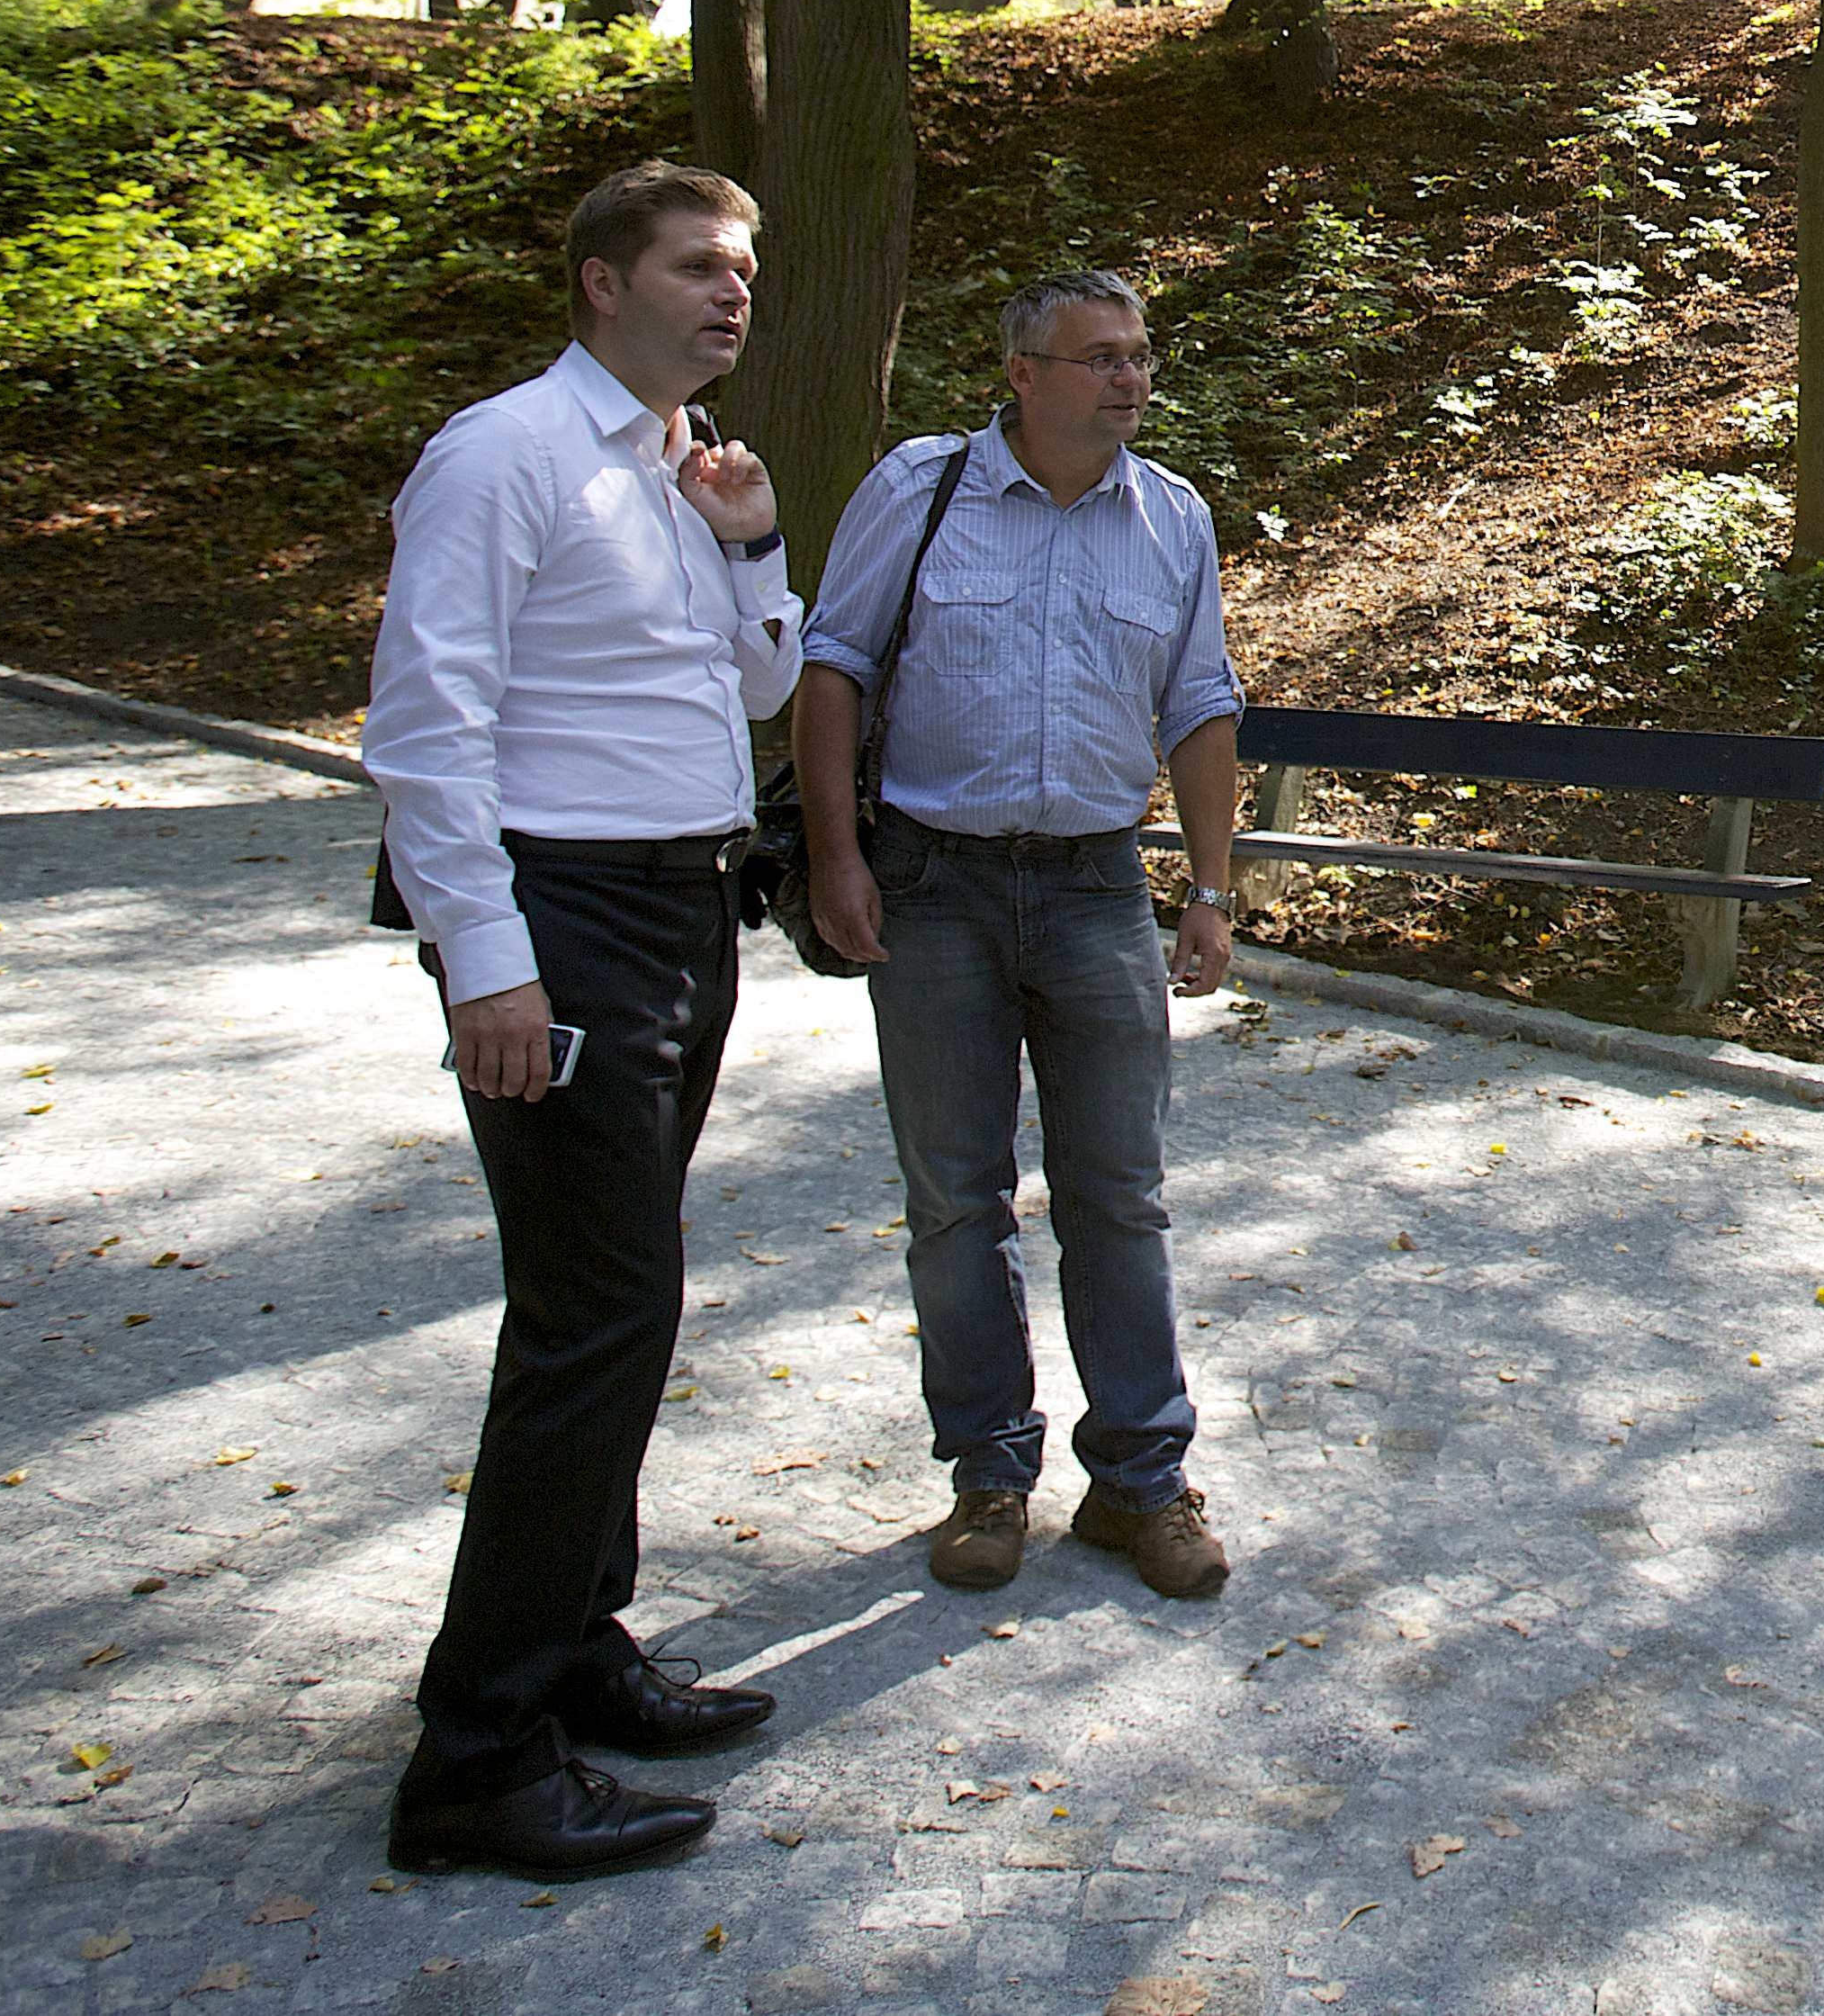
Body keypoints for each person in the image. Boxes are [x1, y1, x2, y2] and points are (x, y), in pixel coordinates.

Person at [362, 161, 804, 1881]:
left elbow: (762, 687)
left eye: (745, 266)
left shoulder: (678, 475)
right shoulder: (505, 455)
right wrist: (487, 960)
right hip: (566, 922)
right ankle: (475, 1758)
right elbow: (424, 723)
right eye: (698, 263)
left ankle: (572, 1650)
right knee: (593, 1314)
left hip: (686, 907)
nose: (733, 289)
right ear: (601, 283)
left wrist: (753, 540)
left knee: (621, 1300)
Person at [795, 266, 1245, 1605]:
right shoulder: (920, 491)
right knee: (956, 1199)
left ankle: (1141, 1485)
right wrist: (836, 860)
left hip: (1100, 888)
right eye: (1098, 356)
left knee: (1121, 1194)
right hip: (932, 888)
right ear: (1023, 375)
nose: (1128, 378)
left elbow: (1202, 706)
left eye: (1139, 354)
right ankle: (989, 1476)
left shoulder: (1171, 520)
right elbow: (835, 667)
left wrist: (1209, 890)